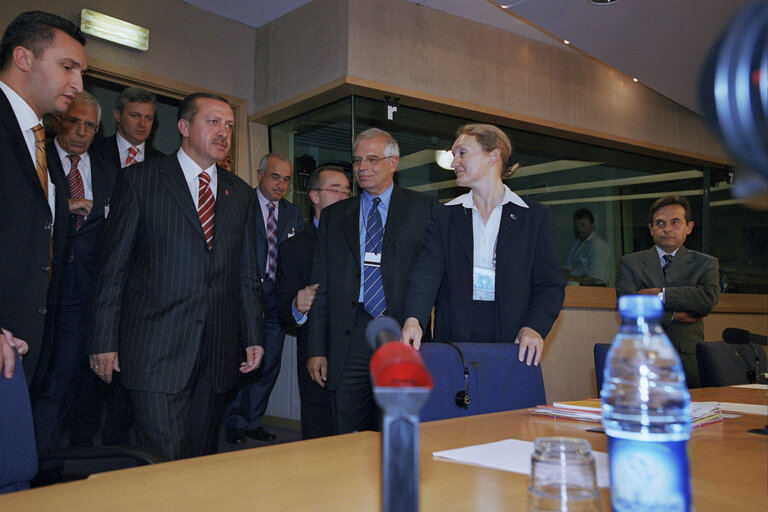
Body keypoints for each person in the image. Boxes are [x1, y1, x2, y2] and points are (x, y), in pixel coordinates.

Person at [87, 92, 264, 461]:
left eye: (229, 125)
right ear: (184, 127)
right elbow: (114, 266)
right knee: (167, 457)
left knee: (199, 458)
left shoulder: (241, 193)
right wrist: (103, 339)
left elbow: (246, 273)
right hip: (156, 348)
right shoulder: (140, 180)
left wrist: (253, 334)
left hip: (216, 351)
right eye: (213, 122)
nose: (224, 133)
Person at [401, 124, 565, 367]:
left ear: (493, 156)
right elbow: (427, 274)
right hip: (455, 335)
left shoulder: (534, 217)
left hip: (514, 339)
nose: (454, 162)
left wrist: (534, 327)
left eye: (462, 153)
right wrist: (413, 319)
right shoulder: (444, 216)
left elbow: (550, 284)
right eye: (453, 155)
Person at [307, 128, 436, 434]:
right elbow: (320, 286)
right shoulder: (335, 216)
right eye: (357, 160)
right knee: (345, 429)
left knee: (397, 426)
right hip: (349, 336)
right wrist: (316, 348)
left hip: (401, 332)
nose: (362, 167)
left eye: (372, 159)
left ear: (394, 162)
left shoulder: (425, 209)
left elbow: (431, 276)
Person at [0, 10, 86, 386]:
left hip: (26, 345)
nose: (78, 84)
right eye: (68, 67)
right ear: (23, 58)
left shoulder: (42, 145)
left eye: (81, 72)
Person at [31, 91, 118, 459]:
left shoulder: (107, 173)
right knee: (50, 381)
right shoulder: (36, 159)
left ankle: (79, 459)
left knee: (89, 382)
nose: (81, 131)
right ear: (58, 121)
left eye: (90, 125)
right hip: (46, 290)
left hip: (93, 293)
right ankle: (39, 464)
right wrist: (65, 206)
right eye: (74, 121)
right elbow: (24, 213)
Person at [223, 153, 304, 444]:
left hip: (277, 300)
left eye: (286, 179)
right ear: (260, 175)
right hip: (245, 297)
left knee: (269, 364)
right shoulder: (241, 205)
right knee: (243, 362)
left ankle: (253, 420)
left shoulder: (294, 214)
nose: (281, 185)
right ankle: (232, 421)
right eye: (274, 176)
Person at [276, 165, 351, 439]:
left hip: (357, 356)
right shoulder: (294, 248)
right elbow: (283, 312)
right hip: (317, 355)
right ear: (315, 197)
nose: (344, 195)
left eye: (347, 190)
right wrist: (297, 306)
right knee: (319, 436)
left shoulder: (365, 243)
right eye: (335, 189)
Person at [616, 195, 720, 388]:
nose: (667, 229)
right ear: (651, 228)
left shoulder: (705, 263)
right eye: (660, 223)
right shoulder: (630, 263)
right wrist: (674, 315)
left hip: (687, 362)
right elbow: (628, 308)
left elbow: (706, 300)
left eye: (675, 222)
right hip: (642, 357)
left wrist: (659, 293)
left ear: (688, 227)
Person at [89, 86, 164, 169]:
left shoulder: (162, 162)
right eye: (135, 115)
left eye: (148, 118)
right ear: (117, 115)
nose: (142, 124)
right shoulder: (93, 149)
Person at [563, 208, 614, 286]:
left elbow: (595, 277)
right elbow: (568, 267)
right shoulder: (577, 243)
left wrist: (571, 279)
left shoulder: (598, 246)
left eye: (583, 225)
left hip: (595, 289)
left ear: (592, 225)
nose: (579, 229)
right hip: (577, 285)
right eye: (576, 225)